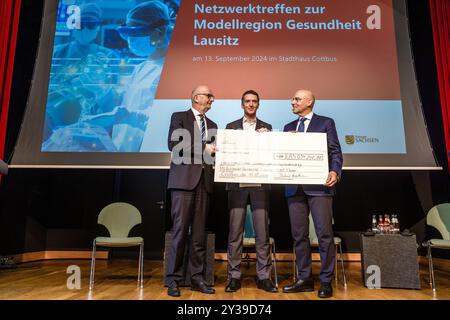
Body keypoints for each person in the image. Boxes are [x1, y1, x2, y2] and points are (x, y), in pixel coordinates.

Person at [282, 89, 343, 298]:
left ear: (309, 102)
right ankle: (304, 279)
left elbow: (335, 151)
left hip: (320, 187)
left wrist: (335, 170)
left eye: (297, 99)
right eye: (293, 99)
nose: (292, 102)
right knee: (299, 236)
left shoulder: (326, 122)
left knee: (324, 235)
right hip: (294, 187)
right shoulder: (288, 127)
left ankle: (326, 281)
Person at [165, 85, 218, 297]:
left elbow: (211, 156)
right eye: (209, 96)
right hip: (183, 183)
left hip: (204, 184)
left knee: (198, 236)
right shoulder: (179, 117)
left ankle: (197, 278)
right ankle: (173, 280)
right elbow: (174, 144)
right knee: (179, 233)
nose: (212, 99)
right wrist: (203, 148)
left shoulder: (212, 124)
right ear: (197, 98)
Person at [224, 90, 277, 293]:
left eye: (254, 101)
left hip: (260, 185)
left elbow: (271, 155)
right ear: (242, 104)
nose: (251, 104)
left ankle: (263, 277)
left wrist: (267, 139)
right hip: (237, 185)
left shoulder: (268, 128)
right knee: (234, 233)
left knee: (262, 234)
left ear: (258, 104)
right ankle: (234, 277)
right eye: (248, 101)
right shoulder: (230, 127)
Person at [114, 0, 173, 151]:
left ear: (160, 31)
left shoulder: (173, 70)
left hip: (150, 155)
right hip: (124, 151)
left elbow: (167, 121)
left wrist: (128, 117)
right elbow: (129, 101)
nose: (131, 39)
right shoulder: (141, 68)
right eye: (129, 33)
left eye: (137, 33)